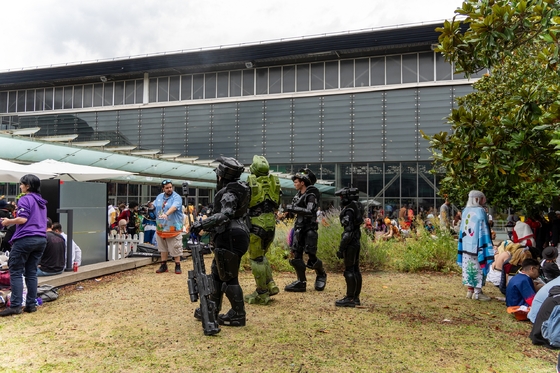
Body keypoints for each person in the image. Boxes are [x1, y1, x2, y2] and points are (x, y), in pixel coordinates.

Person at [190, 156, 250, 326]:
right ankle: (211, 309)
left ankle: (238, 314)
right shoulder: (240, 189)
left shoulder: (230, 192)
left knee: (229, 278)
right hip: (233, 235)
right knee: (217, 274)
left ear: (221, 175)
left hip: (230, 236)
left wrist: (203, 223)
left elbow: (226, 214)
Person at [0, 174, 48, 316]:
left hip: (25, 239)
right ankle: (31, 304)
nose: (20, 186)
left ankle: (15, 305)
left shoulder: (25, 199)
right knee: (31, 272)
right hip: (41, 239)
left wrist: (8, 222)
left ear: (27, 186)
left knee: (15, 271)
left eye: (21, 184)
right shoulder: (42, 202)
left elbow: (23, 219)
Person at [244, 155, 282, 305]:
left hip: (255, 225)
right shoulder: (274, 183)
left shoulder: (249, 183)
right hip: (270, 225)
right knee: (262, 256)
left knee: (256, 259)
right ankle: (270, 284)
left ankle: (261, 292)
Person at [284, 168, 327, 292]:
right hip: (299, 228)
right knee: (296, 255)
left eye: (296, 181)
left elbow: (310, 211)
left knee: (311, 255)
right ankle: (301, 281)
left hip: (309, 229)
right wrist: (289, 212)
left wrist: (293, 208)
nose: (294, 183)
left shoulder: (311, 195)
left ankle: (321, 274)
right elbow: (294, 213)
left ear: (303, 182)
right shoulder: (297, 196)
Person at [457, 190, 494, 301]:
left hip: (466, 245)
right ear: (478, 199)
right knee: (479, 267)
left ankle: (470, 290)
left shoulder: (465, 211)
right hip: (478, 245)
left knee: (468, 267)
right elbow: (483, 228)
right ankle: (477, 293)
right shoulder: (480, 211)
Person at [334, 187, 364, 307]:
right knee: (355, 269)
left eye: (342, 197)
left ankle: (350, 298)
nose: (341, 199)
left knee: (349, 270)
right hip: (356, 241)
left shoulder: (349, 210)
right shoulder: (357, 207)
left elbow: (348, 232)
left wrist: (341, 249)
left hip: (350, 243)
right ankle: (355, 297)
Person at [154, 179, 184, 274]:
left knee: (176, 247)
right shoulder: (159, 197)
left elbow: (174, 207)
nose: (169, 189)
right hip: (161, 228)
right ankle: (164, 265)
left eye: (170, 187)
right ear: (163, 189)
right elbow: (154, 206)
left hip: (173, 228)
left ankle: (177, 265)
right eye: (167, 188)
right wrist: (149, 207)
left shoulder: (177, 197)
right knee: (162, 248)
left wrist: (166, 214)